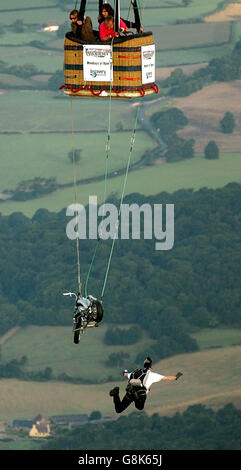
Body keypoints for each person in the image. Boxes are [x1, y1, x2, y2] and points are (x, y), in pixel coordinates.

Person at [109, 356, 183, 414]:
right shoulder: (152, 375)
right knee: (140, 406)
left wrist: (125, 370)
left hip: (130, 391)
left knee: (119, 409)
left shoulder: (136, 371)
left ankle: (116, 394)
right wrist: (176, 377)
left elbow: (125, 375)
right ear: (150, 367)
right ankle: (135, 394)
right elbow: (167, 378)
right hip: (141, 392)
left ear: (144, 365)